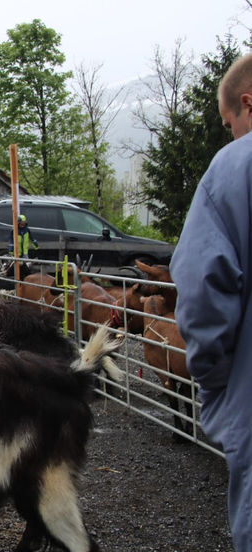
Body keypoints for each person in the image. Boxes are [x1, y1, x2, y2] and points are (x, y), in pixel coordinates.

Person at [170, 52, 252, 552]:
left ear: (248, 104)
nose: (231, 135)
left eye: (229, 125)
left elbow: (201, 292)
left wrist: (217, 395)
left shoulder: (234, 170)